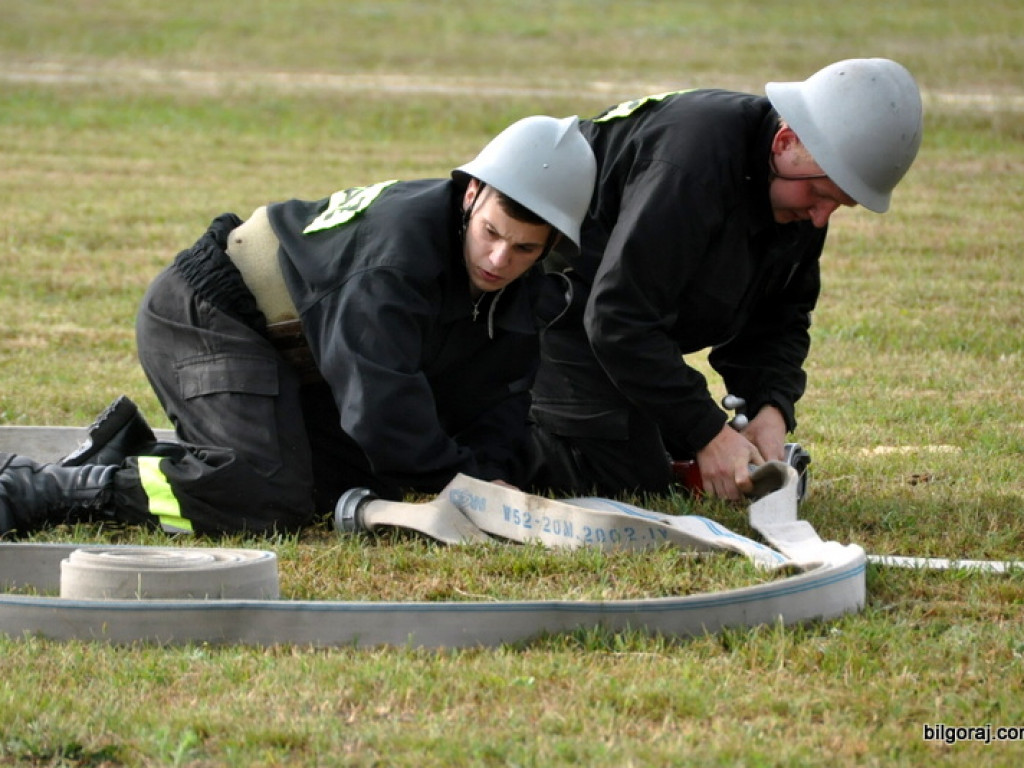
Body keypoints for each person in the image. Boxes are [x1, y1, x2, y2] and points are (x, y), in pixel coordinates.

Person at [0, 115, 597, 537]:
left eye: (523, 249)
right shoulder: (395, 255)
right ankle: (49, 489)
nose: (500, 261)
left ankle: (137, 454)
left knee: (331, 485)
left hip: (301, 353)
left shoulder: (527, 288)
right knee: (267, 499)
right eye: (492, 234)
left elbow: (498, 404)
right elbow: (382, 407)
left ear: (550, 248)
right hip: (210, 315)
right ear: (472, 194)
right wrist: (463, 489)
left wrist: (491, 481)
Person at [527, 58, 924, 500]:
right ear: (786, 142)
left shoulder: (799, 191)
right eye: (820, 195)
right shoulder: (691, 166)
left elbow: (781, 315)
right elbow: (618, 317)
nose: (820, 218)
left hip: (607, 319)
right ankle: (484, 420)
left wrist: (769, 408)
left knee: (681, 453)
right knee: (628, 478)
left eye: (839, 205)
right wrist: (708, 434)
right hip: (544, 300)